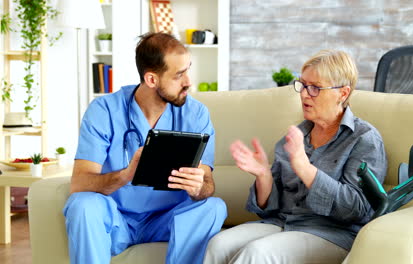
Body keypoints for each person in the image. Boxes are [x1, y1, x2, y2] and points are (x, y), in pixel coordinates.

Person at [204, 50, 387, 264]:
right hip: (283, 223)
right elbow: (269, 209)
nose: (304, 94)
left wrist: (305, 168)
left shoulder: (364, 139)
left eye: (315, 88)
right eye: (302, 85)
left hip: (332, 234)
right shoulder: (295, 137)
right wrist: (264, 176)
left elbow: (358, 209)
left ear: (343, 93)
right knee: (218, 245)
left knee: (258, 253)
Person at [63, 32, 227, 264]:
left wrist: (198, 187)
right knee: (82, 205)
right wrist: (124, 175)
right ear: (151, 79)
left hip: (168, 222)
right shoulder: (104, 110)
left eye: (188, 70)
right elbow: (79, 183)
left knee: (213, 206)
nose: (189, 81)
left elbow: (207, 184)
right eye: (179, 74)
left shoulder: (196, 114)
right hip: (116, 219)